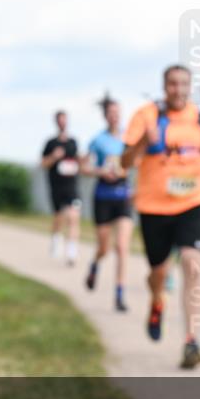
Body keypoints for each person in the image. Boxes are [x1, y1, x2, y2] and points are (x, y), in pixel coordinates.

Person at [121, 65, 200, 369]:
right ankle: (157, 301)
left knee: (192, 264)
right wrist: (145, 141)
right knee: (158, 273)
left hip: (193, 202)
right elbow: (125, 160)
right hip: (153, 207)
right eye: (172, 84)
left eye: (183, 84)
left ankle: (191, 340)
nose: (178, 89)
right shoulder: (146, 115)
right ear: (164, 86)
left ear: (189, 86)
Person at [82, 93, 133, 312]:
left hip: (123, 196)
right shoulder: (97, 141)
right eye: (111, 114)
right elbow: (84, 168)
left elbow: (137, 159)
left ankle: (119, 293)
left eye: (118, 113)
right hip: (103, 196)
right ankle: (95, 264)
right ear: (105, 116)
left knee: (122, 246)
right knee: (104, 248)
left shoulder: (129, 137)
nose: (115, 117)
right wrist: (101, 171)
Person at [41, 111, 81, 266]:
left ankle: (71, 252)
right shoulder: (50, 143)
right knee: (59, 217)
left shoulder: (73, 142)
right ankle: (56, 238)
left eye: (65, 120)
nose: (63, 123)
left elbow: (78, 161)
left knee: (73, 217)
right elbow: (43, 163)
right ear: (56, 122)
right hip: (56, 186)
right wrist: (54, 157)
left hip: (71, 185)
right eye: (60, 120)